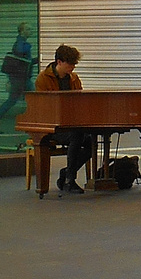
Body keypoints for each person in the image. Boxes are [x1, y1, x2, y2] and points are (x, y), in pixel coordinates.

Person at [34, 45, 93, 195]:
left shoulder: (74, 79)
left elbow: (80, 101)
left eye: (74, 64)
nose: (73, 67)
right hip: (52, 126)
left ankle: (67, 173)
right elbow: (42, 107)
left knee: (91, 141)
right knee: (77, 136)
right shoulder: (43, 79)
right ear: (59, 62)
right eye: (70, 64)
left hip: (71, 124)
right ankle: (69, 180)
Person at [0, 23, 35, 127]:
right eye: (28, 29)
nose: (31, 31)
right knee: (35, 99)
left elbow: (25, 61)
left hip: (20, 78)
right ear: (22, 31)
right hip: (20, 79)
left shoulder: (22, 42)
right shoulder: (20, 42)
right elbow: (20, 54)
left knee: (13, 101)